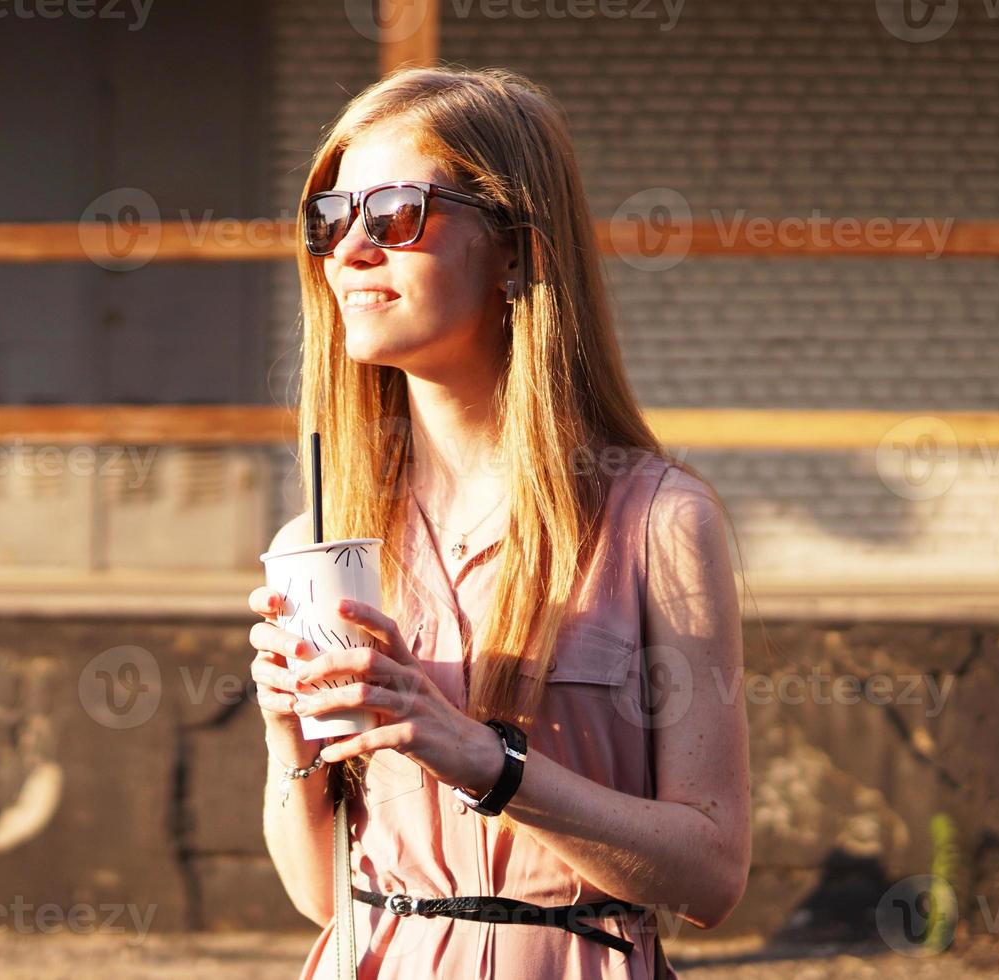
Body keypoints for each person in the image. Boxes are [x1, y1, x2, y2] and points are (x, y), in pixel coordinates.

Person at [247, 65, 750, 979]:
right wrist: (290, 738)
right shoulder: (318, 543)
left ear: (515, 251)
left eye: (396, 212)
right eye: (330, 217)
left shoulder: (657, 521)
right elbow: (324, 899)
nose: (350, 249)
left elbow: (709, 877)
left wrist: (483, 760)